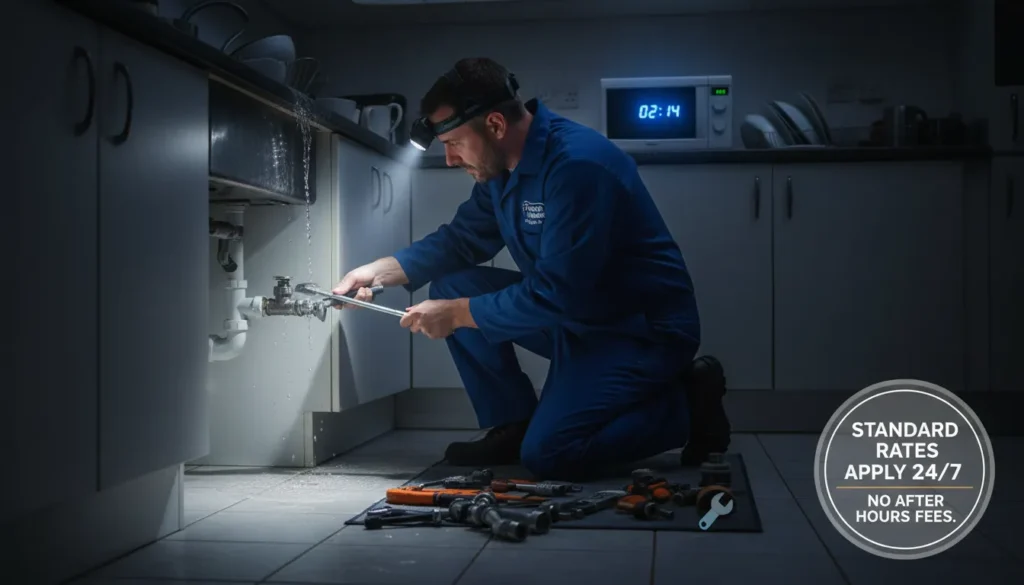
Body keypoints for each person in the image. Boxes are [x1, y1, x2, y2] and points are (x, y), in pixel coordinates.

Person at [332, 58, 730, 480]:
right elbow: (463, 239)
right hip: (580, 317)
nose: (449, 159)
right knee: (453, 283)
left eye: (453, 142)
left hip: (639, 330)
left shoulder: (577, 167)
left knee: (551, 455)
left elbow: (558, 294)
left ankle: (689, 404)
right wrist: (378, 271)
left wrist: (457, 314)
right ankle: (515, 424)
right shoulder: (502, 167)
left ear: (497, 125)